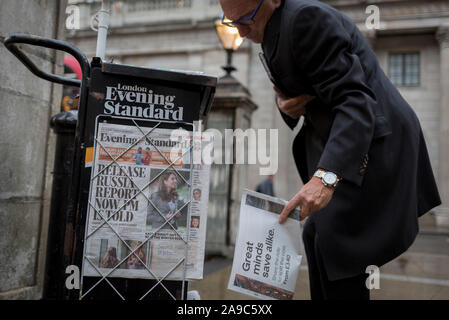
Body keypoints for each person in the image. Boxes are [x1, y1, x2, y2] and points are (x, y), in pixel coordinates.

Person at [219, 0, 441, 300]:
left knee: (338, 246)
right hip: (350, 138)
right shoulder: (272, 28)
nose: (241, 32)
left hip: (375, 141)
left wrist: (325, 178)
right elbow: (299, 94)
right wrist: (284, 106)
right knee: (316, 236)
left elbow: (355, 100)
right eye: (232, 22)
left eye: (245, 19)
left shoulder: (306, 20)